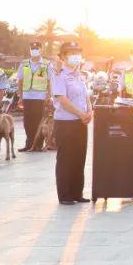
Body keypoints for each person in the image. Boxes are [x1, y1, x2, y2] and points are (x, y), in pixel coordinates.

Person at [50, 42, 92, 204]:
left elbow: (85, 96)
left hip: (80, 122)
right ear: (63, 56)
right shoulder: (60, 75)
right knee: (66, 159)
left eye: (77, 52)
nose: (76, 56)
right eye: (71, 53)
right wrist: (81, 114)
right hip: (66, 123)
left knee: (79, 158)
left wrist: (90, 112)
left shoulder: (78, 75)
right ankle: (65, 195)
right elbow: (62, 99)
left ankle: (76, 193)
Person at [15, 41, 51, 152]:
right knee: (27, 122)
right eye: (32, 48)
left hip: (40, 97)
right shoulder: (24, 63)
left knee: (38, 121)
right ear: (30, 50)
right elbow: (20, 81)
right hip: (27, 96)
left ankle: (38, 144)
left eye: (36, 48)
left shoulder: (47, 64)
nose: (34, 50)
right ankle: (29, 143)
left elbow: (50, 82)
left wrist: (48, 96)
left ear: (41, 50)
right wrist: (20, 96)